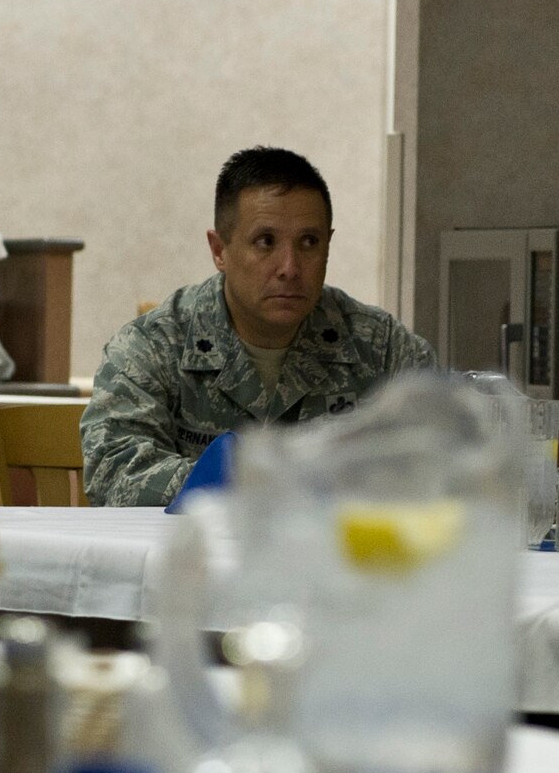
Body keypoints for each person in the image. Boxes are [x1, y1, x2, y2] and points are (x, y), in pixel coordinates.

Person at [81, 146, 436, 507]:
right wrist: (248, 481)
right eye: (265, 242)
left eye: (309, 243)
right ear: (219, 250)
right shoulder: (154, 346)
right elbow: (114, 470)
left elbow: (450, 465)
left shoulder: (384, 349)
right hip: (191, 558)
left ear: (328, 246)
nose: (289, 267)